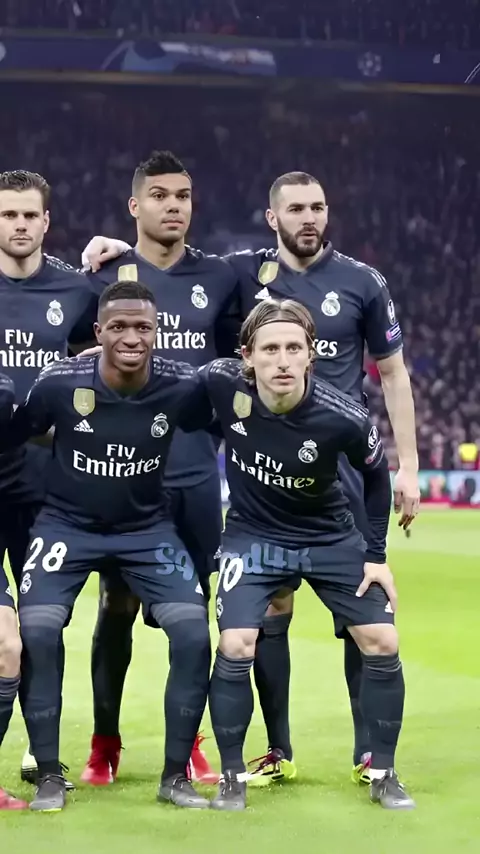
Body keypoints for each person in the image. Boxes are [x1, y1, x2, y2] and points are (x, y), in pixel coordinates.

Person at [81, 169, 420, 787]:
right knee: (268, 610)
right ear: (273, 218)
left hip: (343, 460)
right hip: (260, 456)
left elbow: (394, 374)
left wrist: (410, 468)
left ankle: (370, 753)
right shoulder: (240, 271)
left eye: (317, 206)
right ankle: (276, 747)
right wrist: (122, 248)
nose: (308, 218)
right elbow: (173, 264)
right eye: (296, 208)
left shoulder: (362, 281)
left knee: (361, 616)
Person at [0, 280, 215, 813]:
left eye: (143, 327)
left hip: (147, 530)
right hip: (65, 526)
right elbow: (23, 432)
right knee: (38, 632)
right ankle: (49, 775)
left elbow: (224, 424)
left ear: (157, 331)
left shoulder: (182, 386)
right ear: (97, 332)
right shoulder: (59, 382)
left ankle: (175, 777)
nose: (131, 337)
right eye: (118, 326)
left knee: (193, 634)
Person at [196, 298, 414, 812]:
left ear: (311, 354)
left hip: (328, 536)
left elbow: (376, 478)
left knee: (382, 639)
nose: (283, 360)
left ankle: (383, 772)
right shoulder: (221, 382)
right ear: (247, 356)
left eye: (294, 348)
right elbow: (163, 394)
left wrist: (376, 555)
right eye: (270, 349)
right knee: (236, 643)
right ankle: (232, 776)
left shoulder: (344, 416)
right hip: (253, 535)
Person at [76, 150, 239, 787]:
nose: (174, 206)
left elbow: (239, 361)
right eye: (161, 195)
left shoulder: (221, 276)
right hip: (122, 473)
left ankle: (189, 743)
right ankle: (104, 744)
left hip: (195, 473)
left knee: (193, 613)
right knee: (115, 605)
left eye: (184, 196)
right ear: (134, 205)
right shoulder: (104, 274)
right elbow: (75, 361)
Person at [0, 169, 98, 790]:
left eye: (28, 215)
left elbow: (106, 356)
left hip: (45, 487)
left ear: (46, 222)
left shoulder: (75, 289)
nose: (19, 225)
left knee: (42, 623)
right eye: (8, 214)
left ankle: (43, 754)